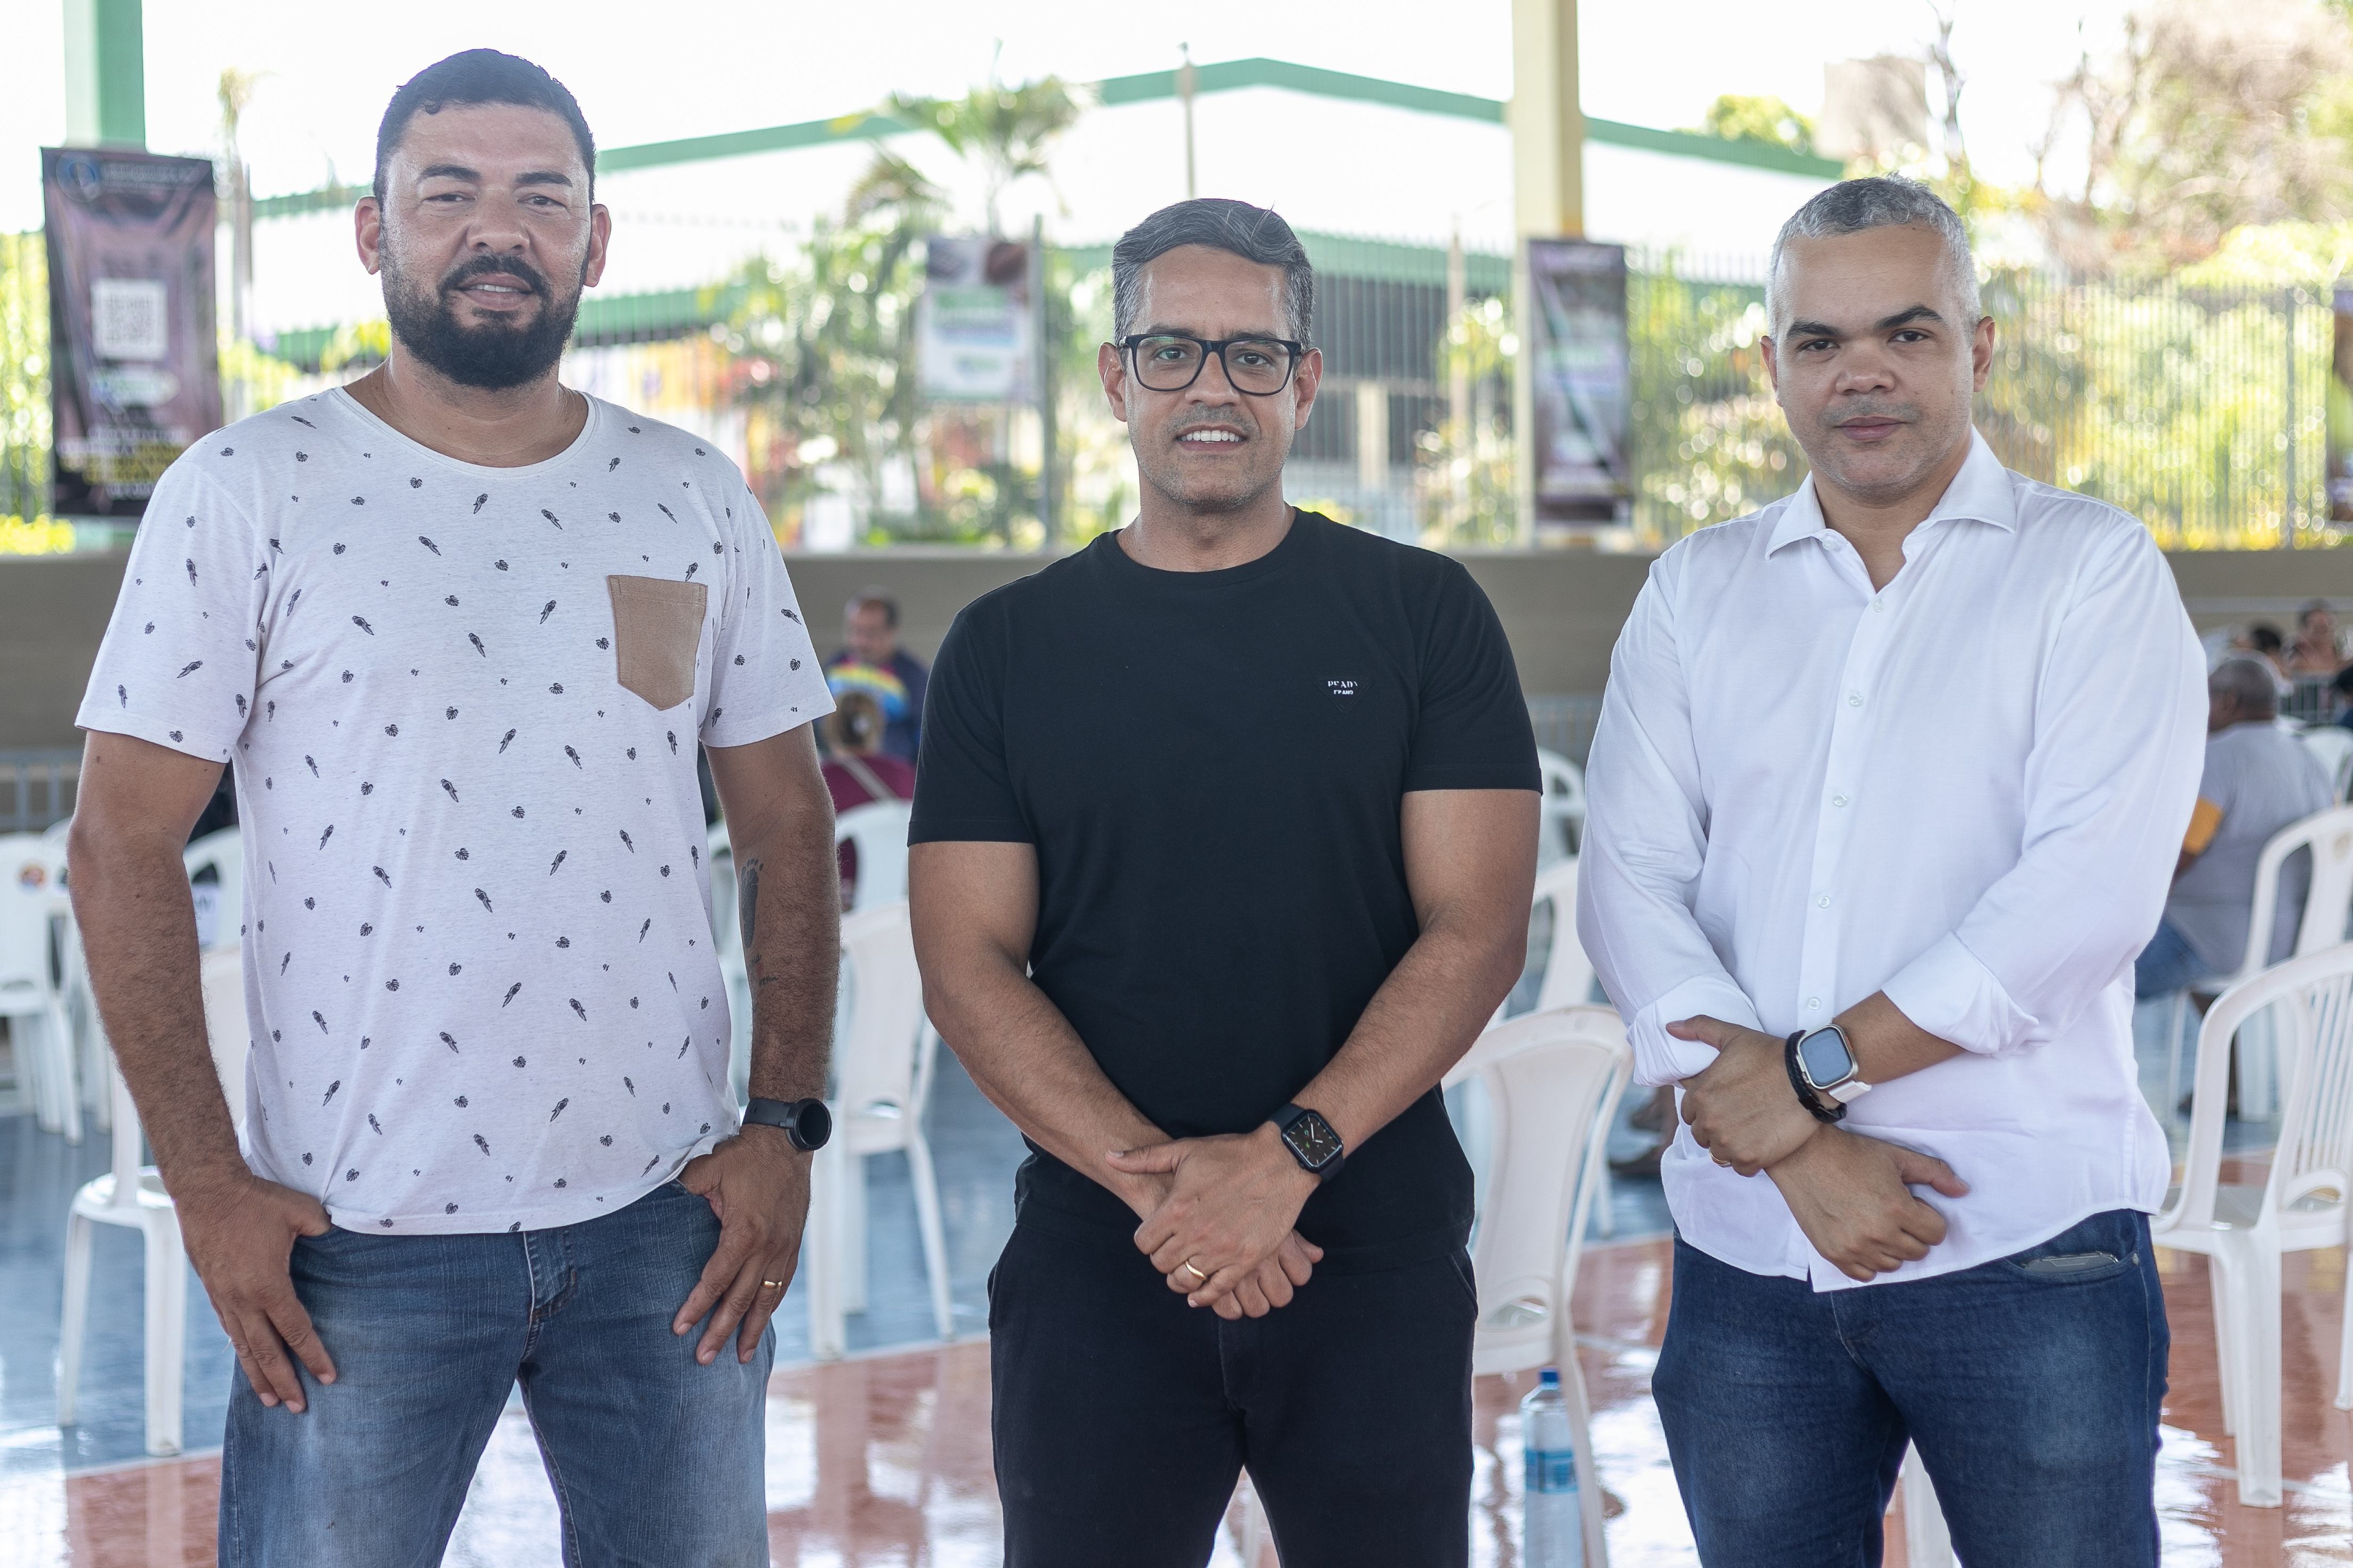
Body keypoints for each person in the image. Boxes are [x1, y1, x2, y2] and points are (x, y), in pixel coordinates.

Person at [66, 51, 841, 1566]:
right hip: (351, 1241)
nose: (500, 229)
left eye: (542, 197)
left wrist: (782, 1125)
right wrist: (208, 1184)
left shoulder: (690, 491)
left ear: (594, 243)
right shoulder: (248, 489)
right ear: (375, 233)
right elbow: (120, 840)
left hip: (669, 1224)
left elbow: (789, 823)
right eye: (450, 193)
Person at [1577, 176, 2206, 1567]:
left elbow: (2081, 900)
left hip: (2023, 1241)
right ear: (1771, 365)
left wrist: (1803, 1078)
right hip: (1748, 1250)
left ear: (1977, 347)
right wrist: (1797, 1143)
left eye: (1904, 333)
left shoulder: (2088, 573)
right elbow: (1626, 880)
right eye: (1819, 341)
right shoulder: (1696, 590)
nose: (1859, 372)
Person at [908, 198, 1539, 1567]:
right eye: (1171, 350)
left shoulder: (1422, 614)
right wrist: (1174, 1196)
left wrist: (1285, 1159)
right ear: (1114, 377)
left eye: (1251, 354)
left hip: (1366, 1250)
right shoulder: (1005, 646)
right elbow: (964, 962)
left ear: (1303, 382)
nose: (1211, 386)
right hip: (1100, 1257)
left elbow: (1477, 928)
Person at [2136, 658, 2334, 998]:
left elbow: (2178, 858)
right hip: (2295, 939)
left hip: (2218, 942)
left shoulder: (2217, 759)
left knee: (2098, 972)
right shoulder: (2310, 759)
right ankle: (2222, 1032)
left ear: (2229, 701)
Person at [822, 689, 914, 908]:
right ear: (877, 728)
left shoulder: (819, 780)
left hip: (842, 907)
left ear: (830, 730)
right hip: (897, 906)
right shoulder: (907, 775)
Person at [826, 587, 928, 761]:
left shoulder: (914, 677)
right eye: (855, 631)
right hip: (838, 771)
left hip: (893, 774)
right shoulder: (833, 669)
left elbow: (925, 737)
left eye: (871, 633)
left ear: (893, 631)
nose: (861, 642)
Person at [2287, 598, 2343, 677]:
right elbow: (2302, 667)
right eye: (2316, 629)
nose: (2322, 634)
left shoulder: (2341, 651)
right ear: (2304, 628)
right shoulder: (2296, 655)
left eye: (2325, 628)